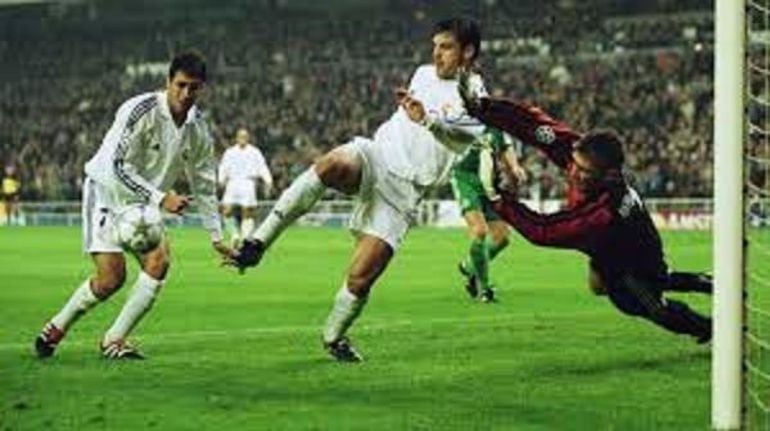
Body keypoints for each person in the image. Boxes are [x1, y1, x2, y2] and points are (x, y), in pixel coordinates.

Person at [233, 18, 488, 362]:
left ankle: (333, 337)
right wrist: (419, 117)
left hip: (404, 195)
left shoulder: (475, 95)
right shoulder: (422, 74)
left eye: (446, 47)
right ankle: (258, 241)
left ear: (467, 51)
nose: (436, 54)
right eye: (435, 46)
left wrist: (428, 120)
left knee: (359, 280)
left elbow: (465, 136)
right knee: (332, 163)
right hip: (377, 157)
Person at [459, 76, 713, 343]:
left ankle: (712, 328)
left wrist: (500, 201)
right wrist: (482, 107)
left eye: (584, 171)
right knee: (616, 283)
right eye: (575, 165)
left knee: (643, 302)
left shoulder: (604, 211)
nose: (575, 173)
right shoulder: (580, 152)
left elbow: (543, 231)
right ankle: (705, 281)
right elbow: (531, 122)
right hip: (616, 241)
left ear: (608, 174)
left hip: (628, 255)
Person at [34, 51, 234, 360]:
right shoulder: (139, 110)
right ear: (167, 82)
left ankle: (114, 339)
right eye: (180, 85)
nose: (185, 93)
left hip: (143, 202)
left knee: (160, 262)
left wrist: (217, 236)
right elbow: (116, 166)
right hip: (106, 191)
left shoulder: (198, 128)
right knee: (111, 279)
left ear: (202, 88)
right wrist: (161, 198)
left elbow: (204, 183)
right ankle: (57, 326)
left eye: (193, 87)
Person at [450, 127, 526, 302]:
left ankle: (469, 267)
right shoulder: (466, 121)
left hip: (490, 182)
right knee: (480, 232)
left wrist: (515, 167)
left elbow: (506, 146)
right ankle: (484, 288)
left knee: (502, 238)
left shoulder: (497, 128)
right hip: (465, 179)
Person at [218, 127, 273, 245]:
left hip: (248, 183)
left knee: (247, 212)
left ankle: (244, 237)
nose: (242, 139)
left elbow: (262, 167)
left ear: (248, 138)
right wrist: (221, 179)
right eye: (240, 136)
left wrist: (268, 180)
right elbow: (223, 166)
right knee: (226, 210)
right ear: (236, 138)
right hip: (232, 183)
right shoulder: (230, 152)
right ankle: (234, 234)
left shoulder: (255, 152)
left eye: (245, 136)